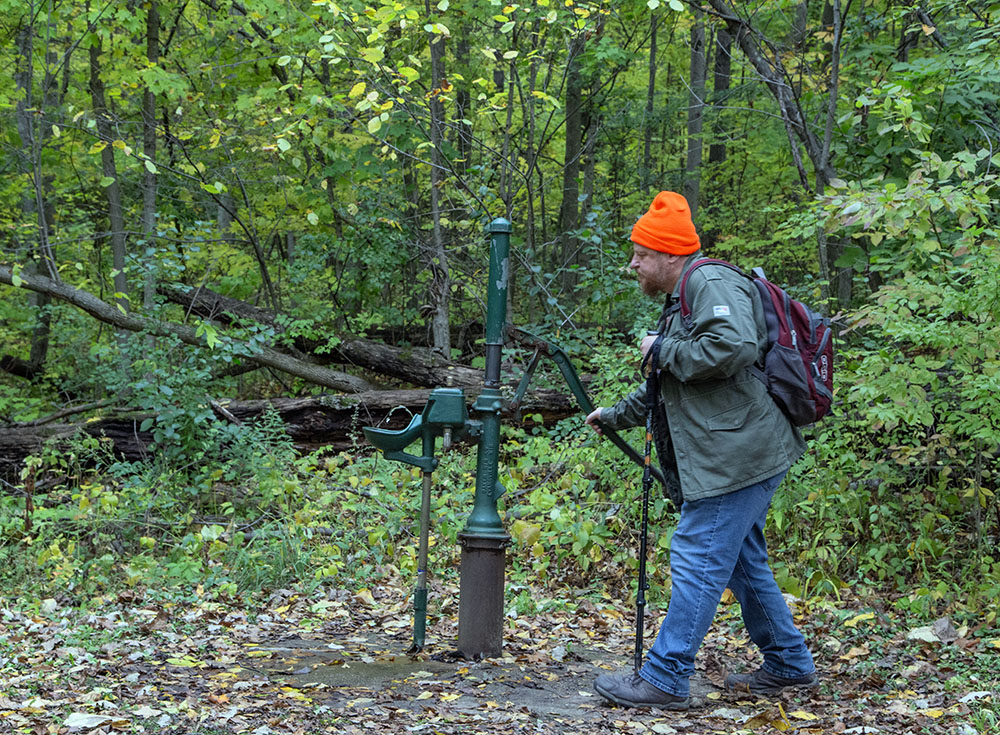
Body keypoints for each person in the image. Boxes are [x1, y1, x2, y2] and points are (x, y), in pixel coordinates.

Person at [585, 191, 817, 710]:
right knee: (740, 561)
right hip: (737, 451)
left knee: (697, 555)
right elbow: (670, 381)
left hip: (737, 456)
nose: (634, 265)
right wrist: (614, 414)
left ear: (669, 255)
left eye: (641, 255)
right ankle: (788, 664)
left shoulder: (708, 282)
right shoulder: (684, 294)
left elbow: (732, 348)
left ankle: (666, 677)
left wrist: (659, 348)